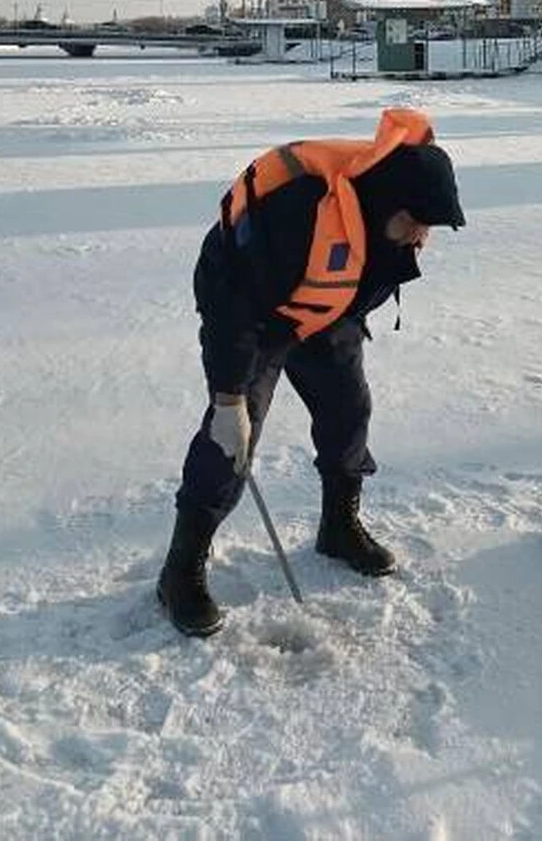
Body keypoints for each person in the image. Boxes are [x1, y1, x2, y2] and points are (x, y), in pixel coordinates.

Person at [157, 106, 466, 637]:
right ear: (389, 204)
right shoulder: (300, 212)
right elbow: (231, 309)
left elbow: (360, 274)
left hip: (325, 309)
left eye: (428, 229)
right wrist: (230, 398)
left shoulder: (389, 222)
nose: (420, 238)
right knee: (229, 443)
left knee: (349, 409)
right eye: (415, 223)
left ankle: (338, 526)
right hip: (254, 312)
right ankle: (180, 570)